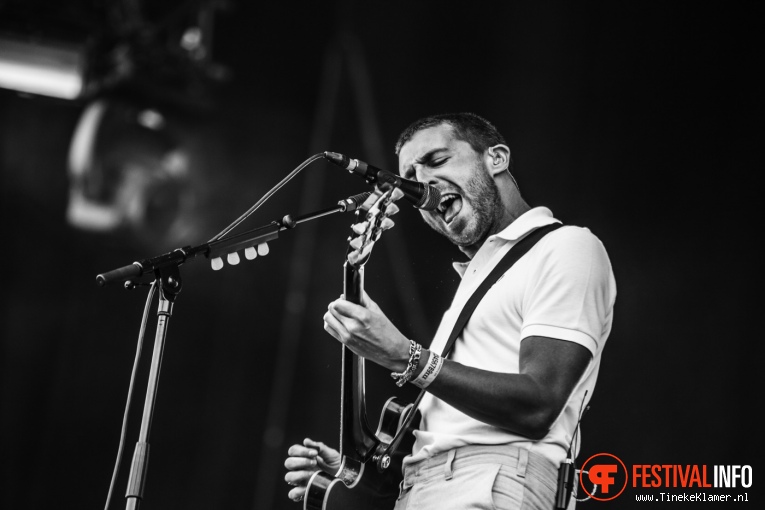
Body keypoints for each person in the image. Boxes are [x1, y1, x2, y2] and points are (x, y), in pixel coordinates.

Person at [284, 112, 616, 509]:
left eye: (437, 161)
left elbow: (538, 404)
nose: (420, 184)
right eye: (410, 177)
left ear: (496, 158)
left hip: (494, 481)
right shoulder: (473, 285)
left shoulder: (566, 246)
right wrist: (353, 471)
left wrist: (406, 357)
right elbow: (443, 442)